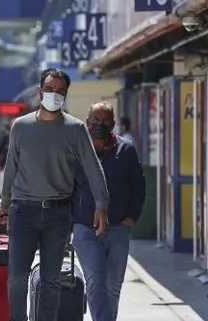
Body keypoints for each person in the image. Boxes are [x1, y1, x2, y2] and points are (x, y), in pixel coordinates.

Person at [0, 68, 110, 321]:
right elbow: (11, 167)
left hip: (58, 214)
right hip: (22, 211)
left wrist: (101, 204)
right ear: (40, 91)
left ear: (66, 95)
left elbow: (93, 167)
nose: (54, 95)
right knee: (17, 278)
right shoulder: (21, 126)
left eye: (60, 91)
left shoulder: (75, 128)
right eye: (49, 89)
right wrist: (4, 203)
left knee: (50, 280)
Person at [71, 102, 146, 321]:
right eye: (95, 120)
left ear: (113, 124)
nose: (99, 125)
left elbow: (138, 185)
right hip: (86, 227)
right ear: (87, 122)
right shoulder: (77, 151)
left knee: (113, 285)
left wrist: (132, 217)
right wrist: (68, 224)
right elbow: (67, 188)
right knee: (95, 278)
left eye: (105, 121)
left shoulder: (126, 150)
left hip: (118, 227)